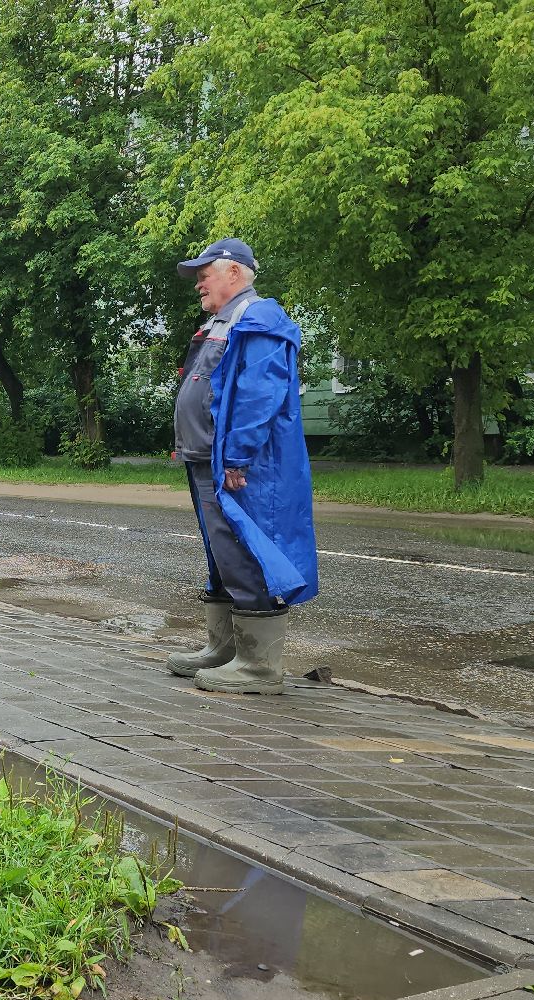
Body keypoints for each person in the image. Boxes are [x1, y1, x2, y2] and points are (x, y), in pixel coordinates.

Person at [162, 238, 318, 694]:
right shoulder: (223, 322)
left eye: (203, 275)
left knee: (245, 550)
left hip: (236, 464)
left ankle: (258, 666)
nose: (198, 285)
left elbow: (259, 395)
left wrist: (236, 455)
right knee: (222, 553)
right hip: (204, 457)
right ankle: (225, 649)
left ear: (233, 271)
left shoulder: (259, 318)